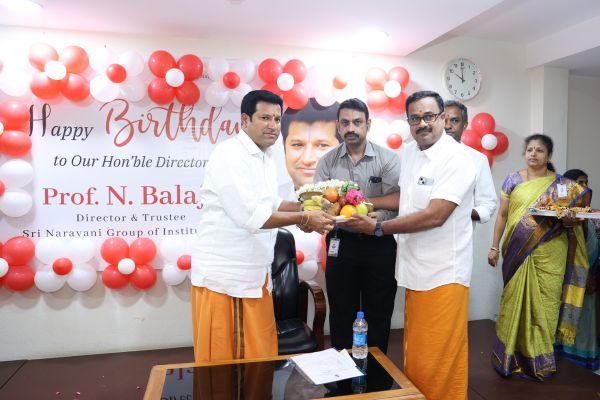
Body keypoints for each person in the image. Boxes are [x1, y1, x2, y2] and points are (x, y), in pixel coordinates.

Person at [345, 91, 476, 400]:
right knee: (416, 356)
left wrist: (378, 227)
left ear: (443, 118)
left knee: (439, 360)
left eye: (429, 116)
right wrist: (369, 205)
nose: (422, 123)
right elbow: (405, 200)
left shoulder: (457, 159)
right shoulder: (411, 152)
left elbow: (435, 215)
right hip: (414, 271)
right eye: (415, 118)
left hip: (444, 274)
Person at [190, 90, 335, 362]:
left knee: (259, 357)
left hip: (255, 275)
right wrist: (305, 218)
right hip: (228, 279)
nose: (273, 125)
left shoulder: (265, 156)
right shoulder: (230, 155)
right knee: (229, 364)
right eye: (264, 118)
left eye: (277, 119)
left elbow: (272, 203)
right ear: (245, 120)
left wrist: (309, 206)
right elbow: (251, 216)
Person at [487, 135, 591, 380]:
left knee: (546, 304)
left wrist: (570, 221)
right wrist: (494, 247)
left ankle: (539, 361)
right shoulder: (513, 180)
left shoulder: (563, 186)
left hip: (551, 251)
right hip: (517, 250)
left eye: (540, 150)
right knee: (513, 300)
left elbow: (576, 218)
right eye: (530, 150)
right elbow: (502, 215)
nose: (533, 154)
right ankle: (509, 357)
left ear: (549, 156)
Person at [314, 98, 401, 355]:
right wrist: (333, 211)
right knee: (341, 309)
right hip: (341, 243)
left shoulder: (387, 159)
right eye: (345, 123)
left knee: (379, 309)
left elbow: (398, 199)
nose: (351, 128)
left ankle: (377, 367)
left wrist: (366, 211)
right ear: (338, 126)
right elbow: (319, 202)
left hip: (379, 241)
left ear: (368, 124)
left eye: (357, 122)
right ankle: (342, 366)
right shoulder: (327, 161)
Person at [556, 168, 599, 370]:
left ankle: (584, 362)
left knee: (586, 319)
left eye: (586, 182)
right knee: (568, 317)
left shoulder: (589, 214)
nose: (585, 187)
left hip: (591, 276)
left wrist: (594, 275)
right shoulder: (562, 216)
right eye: (580, 182)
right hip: (573, 279)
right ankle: (567, 364)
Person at [444, 100, 497, 224]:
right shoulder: (422, 154)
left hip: (458, 233)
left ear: (464, 125)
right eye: (443, 120)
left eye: (454, 120)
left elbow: (488, 204)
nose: (447, 126)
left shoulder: (477, 159)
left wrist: (459, 214)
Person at [281, 98, 342, 189]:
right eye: (297, 145)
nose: (307, 159)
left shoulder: (361, 196)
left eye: (322, 145)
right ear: (284, 145)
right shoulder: (269, 197)